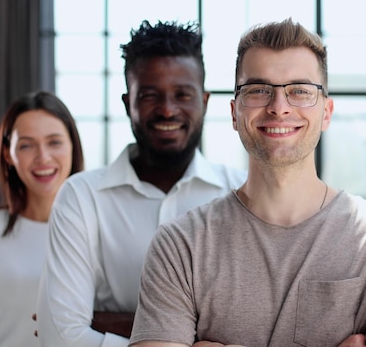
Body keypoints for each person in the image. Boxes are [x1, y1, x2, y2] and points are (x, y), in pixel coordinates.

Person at [129, 18, 366, 347]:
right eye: (258, 90)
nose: (279, 107)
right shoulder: (181, 245)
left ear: (326, 112)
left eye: (300, 91)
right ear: (234, 113)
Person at [35, 20, 246, 347]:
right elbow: (59, 337)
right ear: (127, 103)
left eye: (182, 94)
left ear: (203, 102)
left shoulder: (241, 195)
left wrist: (106, 322)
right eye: (149, 95)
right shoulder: (81, 197)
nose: (166, 109)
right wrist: (191, 335)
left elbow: (256, 328)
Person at [0, 91, 84, 347]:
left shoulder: (100, 231)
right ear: (7, 154)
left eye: (54, 142)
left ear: (72, 146)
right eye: (26, 145)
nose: (43, 157)